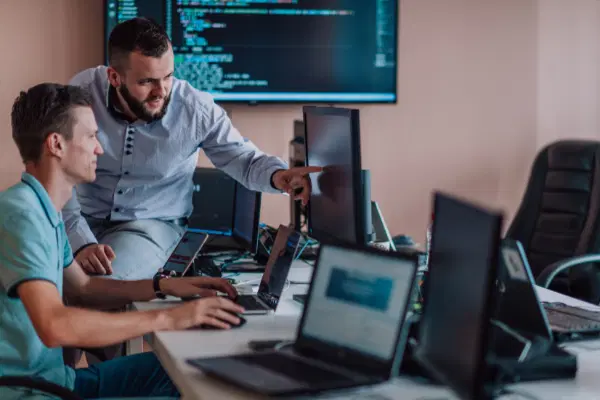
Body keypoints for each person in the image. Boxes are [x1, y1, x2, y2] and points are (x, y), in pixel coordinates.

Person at [0, 82, 245, 399]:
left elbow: (84, 288)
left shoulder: (45, 212)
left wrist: (163, 286)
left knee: (183, 369)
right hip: (32, 393)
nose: (99, 148)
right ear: (56, 144)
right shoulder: (22, 216)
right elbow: (54, 326)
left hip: (58, 381)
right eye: (90, 136)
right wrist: (172, 317)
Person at [63, 17, 321, 281]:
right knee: (36, 278)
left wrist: (279, 176)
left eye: (168, 77)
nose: (160, 92)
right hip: (79, 219)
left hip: (151, 227)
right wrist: (79, 239)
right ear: (114, 77)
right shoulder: (81, 95)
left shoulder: (195, 109)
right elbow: (57, 168)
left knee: (98, 283)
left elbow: (244, 159)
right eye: (147, 82)